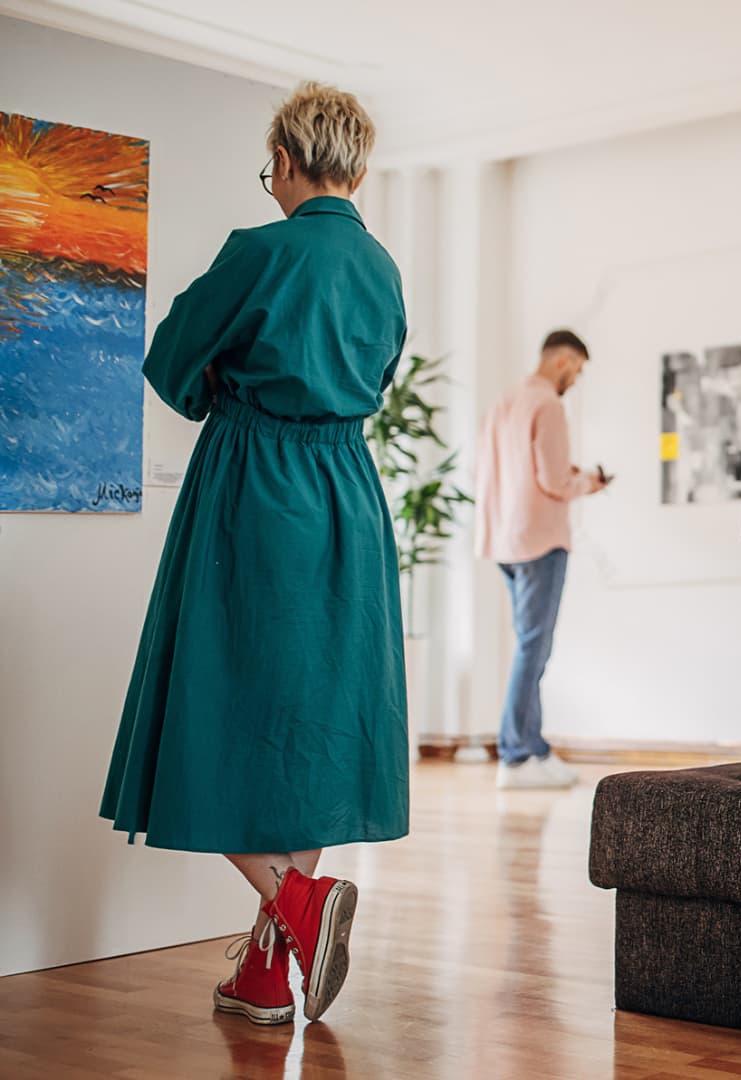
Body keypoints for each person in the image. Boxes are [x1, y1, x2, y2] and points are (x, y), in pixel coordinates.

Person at [98, 81, 406, 1026]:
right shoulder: (384, 268)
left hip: (254, 490)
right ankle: (270, 972)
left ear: (286, 158)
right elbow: (376, 378)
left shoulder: (258, 252)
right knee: (309, 725)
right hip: (347, 497)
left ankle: (301, 903)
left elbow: (170, 360)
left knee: (216, 708)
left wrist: (226, 390)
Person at [474, 329, 611, 790]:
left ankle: (532, 748)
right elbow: (553, 480)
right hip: (539, 539)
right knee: (534, 647)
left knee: (529, 645)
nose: (575, 377)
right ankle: (515, 755)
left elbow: (508, 471)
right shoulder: (548, 404)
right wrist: (589, 482)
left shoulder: (504, 402)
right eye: (577, 368)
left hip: (503, 538)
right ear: (563, 360)